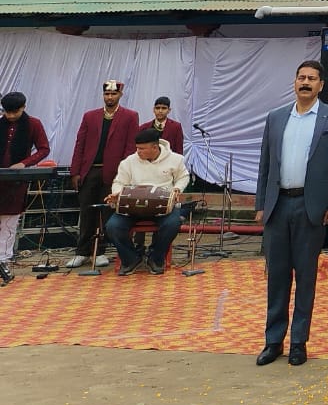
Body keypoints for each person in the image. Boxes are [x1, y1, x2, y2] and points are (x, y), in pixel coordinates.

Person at [254, 60, 328, 367]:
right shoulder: (276, 117)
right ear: (294, 82)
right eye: (301, 78)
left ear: (321, 85)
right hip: (278, 205)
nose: (305, 82)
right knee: (277, 277)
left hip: (312, 208)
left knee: (305, 278)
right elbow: (265, 165)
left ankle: (298, 342)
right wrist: (260, 204)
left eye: (311, 78)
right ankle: (273, 341)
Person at [68, 79, 141, 268]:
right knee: (87, 211)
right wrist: (75, 171)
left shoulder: (130, 116)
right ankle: (82, 251)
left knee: (106, 212)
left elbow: (130, 147)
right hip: (90, 170)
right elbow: (80, 145)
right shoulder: (90, 116)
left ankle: (99, 251)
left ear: (120, 95)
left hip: (114, 172)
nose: (110, 97)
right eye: (107, 94)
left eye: (113, 94)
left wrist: (124, 173)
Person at [104, 127, 190, 275]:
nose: (138, 152)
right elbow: (119, 181)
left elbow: (183, 177)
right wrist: (117, 194)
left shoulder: (176, 159)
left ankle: (156, 258)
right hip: (134, 207)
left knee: (173, 223)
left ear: (155, 147)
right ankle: (131, 259)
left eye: (142, 148)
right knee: (113, 226)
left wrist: (177, 189)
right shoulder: (129, 162)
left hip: (163, 207)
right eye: (137, 148)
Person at [0, 92, 50, 284]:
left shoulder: (33, 124)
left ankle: (4, 260)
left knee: (8, 222)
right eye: (7, 112)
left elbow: (44, 149)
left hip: (16, 181)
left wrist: (24, 163)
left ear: (24, 107)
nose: (10, 116)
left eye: (14, 112)